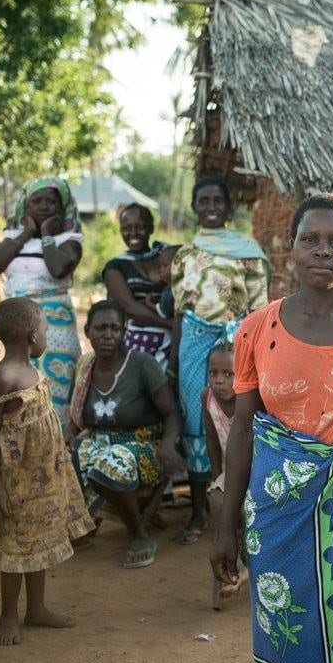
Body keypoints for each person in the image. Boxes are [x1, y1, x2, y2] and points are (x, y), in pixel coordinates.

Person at [210, 192, 333, 663]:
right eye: (310, 239)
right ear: (291, 249)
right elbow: (243, 431)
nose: (323, 250)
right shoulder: (257, 329)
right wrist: (225, 525)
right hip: (277, 507)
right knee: (286, 625)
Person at [0, 297, 93, 645]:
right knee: (17, 548)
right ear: (31, 335)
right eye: (45, 329)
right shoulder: (5, 377)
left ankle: (37, 609)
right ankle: (8, 616)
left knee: (38, 542)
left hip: (42, 479)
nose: (47, 334)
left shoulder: (31, 369)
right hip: (17, 483)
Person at [170, 175, 269, 544]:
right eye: (204, 201)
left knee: (241, 414)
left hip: (237, 338)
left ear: (229, 207)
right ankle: (200, 511)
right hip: (194, 342)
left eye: (218, 201)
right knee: (198, 419)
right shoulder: (186, 254)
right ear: (194, 207)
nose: (211, 207)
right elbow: (180, 310)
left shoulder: (248, 250)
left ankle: (247, 506)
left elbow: (260, 308)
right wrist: (175, 360)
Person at [67, 300, 183, 569]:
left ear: (124, 333)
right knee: (64, 457)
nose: (108, 335)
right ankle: (80, 524)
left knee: (109, 465)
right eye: (101, 328)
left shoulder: (141, 364)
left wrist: (168, 445)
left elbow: (171, 413)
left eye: (115, 328)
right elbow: (74, 414)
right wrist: (68, 435)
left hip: (143, 445)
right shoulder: (85, 366)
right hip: (98, 441)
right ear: (87, 331)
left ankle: (139, 536)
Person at [0, 177, 84, 430]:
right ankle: (27, 449)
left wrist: (47, 234)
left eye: (52, 201)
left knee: (57, 386)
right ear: (25, 206)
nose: (44, 206)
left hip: (55, 326)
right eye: (37, 201)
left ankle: (58, 448)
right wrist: (27, 232)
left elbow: (59, 267)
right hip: (18, 325)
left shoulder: (69, 238)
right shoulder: (15, 236)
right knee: (20, 383)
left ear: (62, 208)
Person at [202, 341, 247, 602]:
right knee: (217, 498)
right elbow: (211, 439)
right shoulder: (206, 398)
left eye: (228, 374)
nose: (219, 381)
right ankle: (228, 557)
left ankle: (246, 561)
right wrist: (215, 474)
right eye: (213, 373)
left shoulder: (249, 399)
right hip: (229, 472)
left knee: (246, 509)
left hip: (255, 470)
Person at [103, 205, 174, 369]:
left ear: (151, 228)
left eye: (140, 227)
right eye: (126, 228)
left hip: (172, 342)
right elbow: (129, 306)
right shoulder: (116, 266)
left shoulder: (166, 257)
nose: (133, 233)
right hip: (136, 341)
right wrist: (169, 323)